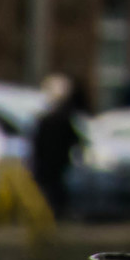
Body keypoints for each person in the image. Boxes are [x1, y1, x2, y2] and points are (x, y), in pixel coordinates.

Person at [29, 73, 86, 220]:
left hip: (50, 162)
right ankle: (56, 214)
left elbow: (36, 141)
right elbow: (75, 139)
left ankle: (53, 214)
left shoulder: (48, 119)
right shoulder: (62, 118)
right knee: (55, 189)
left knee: (51, 189)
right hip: (57, 161)